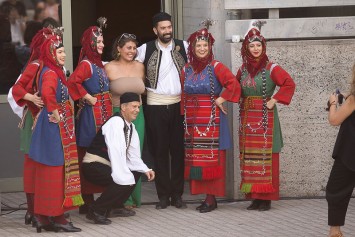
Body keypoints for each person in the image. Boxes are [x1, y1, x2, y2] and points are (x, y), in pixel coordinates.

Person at [236, 21, 295, 211]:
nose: (255, 48)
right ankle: (254, 197)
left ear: (263, 46)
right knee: (251, 159)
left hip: (265, 118)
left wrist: (275, 99)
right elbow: (234, 87)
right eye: (251, 45)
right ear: (246, 47)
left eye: (258, 45)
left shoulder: (272, 67)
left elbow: (288, 83)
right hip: (247, 118)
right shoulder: (243, 69)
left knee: (266, 157)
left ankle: (266, 198)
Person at [181, 28, 241, 213]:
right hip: (192, 120)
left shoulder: (216, 66)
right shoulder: (186, 69)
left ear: (210, 47)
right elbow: (183, 93)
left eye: (204, 45)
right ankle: (204, 196)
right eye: (198, 45)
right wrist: (182, 116)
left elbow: (233, 84)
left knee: (213, 160)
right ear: (192, 47)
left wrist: (219, 99)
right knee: (196, 160)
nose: (201, 48)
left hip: (211, 120)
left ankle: (211, 198)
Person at [29, 35, 83, 233]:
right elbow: (47, 94)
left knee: (52, 170)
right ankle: (57, 217)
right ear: (51, 53)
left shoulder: (55, 71)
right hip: (55, 126)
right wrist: (55, 112)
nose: (64, 55)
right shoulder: (51, 73)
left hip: (57, 123)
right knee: (56, 169)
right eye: (60, 52)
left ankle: (44, 217)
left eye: (63, 51)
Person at [136, 11, 188, 209]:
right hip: (155, 105)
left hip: (178, 106)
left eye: (169, 27)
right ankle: (163, 196)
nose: (167, 31)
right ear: (155, 30)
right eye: (163, 28)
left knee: (178, 151)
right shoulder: (144, 49)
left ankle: (178, 195)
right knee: (159, 152)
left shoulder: (184, 46)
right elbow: (126, 61)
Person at [82, 92, 155, 225]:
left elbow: (133, 156)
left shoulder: (131, 127)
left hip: (107, 164)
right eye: (134, 106)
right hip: (93, 165)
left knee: (136, 171)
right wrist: (122, 175)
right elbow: (117, 153)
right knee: (123, 179)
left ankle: (115, 207)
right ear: (123, 107)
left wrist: (145, 169)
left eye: (138, 107)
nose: (137, 110)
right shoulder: (115, 123)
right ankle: (96, 210)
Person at [67, 17, 112, 214]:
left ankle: (98, 197)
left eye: (102, 42)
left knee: (102, 154)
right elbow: (72, 82)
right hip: (91, 116)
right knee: (87, 154)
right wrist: (86, 96)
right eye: (98, 42)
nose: (102, 45)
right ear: (90, 44)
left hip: (104, 113)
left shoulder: (99, 64)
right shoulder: (86, 64)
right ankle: (86, 199)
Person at [9, 26, 53, 227]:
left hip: (50, 121)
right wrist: (30, 97)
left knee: (46, 166)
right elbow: (15, 90)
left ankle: (45, 210)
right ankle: (32, 210)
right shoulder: (35, 64)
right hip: (34, 122)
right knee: (33, 166)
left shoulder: (52, 66)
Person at [105, 33, 145, 211]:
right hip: (117, 115)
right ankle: (121, 199)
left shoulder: (140, 67)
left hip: (138, 115)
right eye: (128, 47)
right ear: (119, 49)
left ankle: (134, 197)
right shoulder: (109, 67)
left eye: (134, 48)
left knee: (135, 154)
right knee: (118, 156)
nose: (132, 51)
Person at [326, 63, 355, 237]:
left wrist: (332, 103)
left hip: (349, 153)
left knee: (336, 190)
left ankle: (335, 231)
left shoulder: (353, 99)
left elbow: (335, 120)